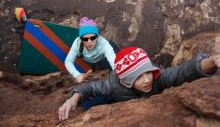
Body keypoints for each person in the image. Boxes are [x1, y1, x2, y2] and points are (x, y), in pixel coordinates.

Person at [59, 47, 220, 120]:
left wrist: (211, 61)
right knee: (92, 102)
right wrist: (73, 98)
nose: (147, 80)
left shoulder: (158, 78)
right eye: (138, 77)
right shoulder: (113, 85)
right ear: (127, 80)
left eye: (148, 72)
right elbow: (89, 87)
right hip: (117, 99)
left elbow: (182, 72)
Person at [65, 17, 119, 83]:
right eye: (85, 39)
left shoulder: (104, 44)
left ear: (97, 37)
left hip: (104, 57)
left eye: (92, 38)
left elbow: (112, 60)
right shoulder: (77, 43)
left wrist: (118, 73)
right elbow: (68, 61)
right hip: (91, 60)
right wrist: (77, 75)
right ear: (81, 39)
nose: (89, 41)